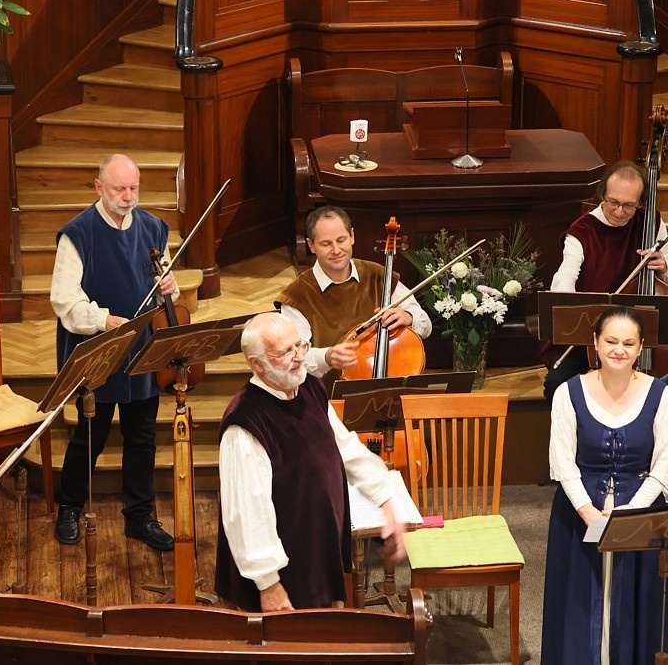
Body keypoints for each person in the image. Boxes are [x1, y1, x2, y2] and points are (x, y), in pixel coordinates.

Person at [215, 313, 406, 611]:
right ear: (257, 363)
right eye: (285, 352)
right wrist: (268, 583)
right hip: (279, 576)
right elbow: (247, 512)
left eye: (300, 345)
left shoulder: (310, 389)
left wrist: (385, 499)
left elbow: (345, 448)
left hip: (315, 549)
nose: (299, 357)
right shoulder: (245, 421)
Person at [50, 153, 178, 551]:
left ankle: (139, 516)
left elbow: (165, 282)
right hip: (98, 349)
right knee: (91, 434)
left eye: (134, 188)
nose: (128, 196)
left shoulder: (154, 228)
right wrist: (104, 320)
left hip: (142, 348)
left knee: (142, 436)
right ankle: (70, 505)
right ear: (99, 187)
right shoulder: (78, 234)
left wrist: (169, 286)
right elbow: (64, 300)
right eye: (119, 188)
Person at [541, 306, 668, 663]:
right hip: (578, 512)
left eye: (628, 343)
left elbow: (664, 462)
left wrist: (632, 513)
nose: (619, 350)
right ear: (595, 343)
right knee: (578, 602)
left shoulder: (660, 394)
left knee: (637, 607)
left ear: (641, 346)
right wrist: (588, 511)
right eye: (611, 341)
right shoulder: (568, 392)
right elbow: (562, 461)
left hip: (642, 515)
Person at [542, 161, 668, 402]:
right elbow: (565, 279)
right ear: (603, 195)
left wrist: (663, 268)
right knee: (557, 384)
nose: (619, 211)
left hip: (642, 336)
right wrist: (571, 306)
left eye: (629, 205)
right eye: (613, 202)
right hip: (588, 337)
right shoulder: (582, 231)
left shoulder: (651, 222)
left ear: (640, 202)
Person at [276, 205, 431, 390]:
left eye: (341, 240)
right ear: (311, 246)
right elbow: (295, 358)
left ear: (352, 236)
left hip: (392, 391)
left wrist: (408, 317)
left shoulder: (378, 276)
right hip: (327, 399)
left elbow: (426, 325)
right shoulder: (297, 295)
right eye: (326, 244)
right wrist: (327, 357)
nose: (336, 250)